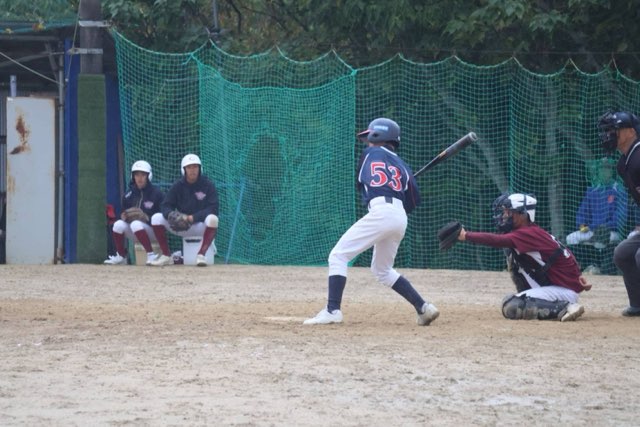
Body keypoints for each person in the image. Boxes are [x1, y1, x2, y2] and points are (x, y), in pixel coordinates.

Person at [303, 118, 439, 326]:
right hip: (399, 217)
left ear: (378, 136)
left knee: (338, 256)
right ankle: (424, 307)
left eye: (370, 137)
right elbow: (412, 201)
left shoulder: (369, 154)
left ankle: (332, 310)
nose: (367, 142)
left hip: (381, 211)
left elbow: (363, 184)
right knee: (383, 270)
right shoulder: (403, 166)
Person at [456, 193, 590, 321]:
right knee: (512, 261)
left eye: (509, 212)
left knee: (511, 305)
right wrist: (577, 276)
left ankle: (567, 308)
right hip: (559, 289)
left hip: (563, 292)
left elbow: (497, 240)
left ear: (523, 214)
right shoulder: (530, 231)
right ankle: (556, 303)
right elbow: (564, 252)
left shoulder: (527, 233)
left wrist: (466, 235)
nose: (504, 216)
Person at [599, 110, 640, 316]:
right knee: (623, 253)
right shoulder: (624, 163)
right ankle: (638, 304)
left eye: (615, 130)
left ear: (631, 132)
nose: (609, 135)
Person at [149, 153, 219, 267]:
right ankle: (166, 255)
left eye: (195, 167)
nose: (192, 170)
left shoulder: (208, 185)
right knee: (156, 218)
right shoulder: (178, 186)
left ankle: (201, 255)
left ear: (200, 168)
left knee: (213, 219)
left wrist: (192, 218)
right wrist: (172, 215)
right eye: (189, 167)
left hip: (200, 226)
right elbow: (165, 205)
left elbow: (213, 208)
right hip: (181, 225)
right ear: (184, 169)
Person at [565, 158, 627, 274]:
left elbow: (620, 217)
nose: (604, 171)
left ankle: (599, 268)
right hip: (592, 230)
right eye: (602, 168)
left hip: (611, 231)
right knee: (571, 238)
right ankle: (585, 265)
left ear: (612, 171)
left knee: (600, 240)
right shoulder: (592, 190)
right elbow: (582, 213)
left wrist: (600, 227)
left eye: (607, 168)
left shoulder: (618, 190)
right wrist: (582, 225)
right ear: (598, 171)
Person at [104, 160, 164, 265]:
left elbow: (162, 218)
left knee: (136, 223)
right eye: (137, 175)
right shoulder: (128, 194)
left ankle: (151, 255)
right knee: (118, 225)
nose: (139, 178)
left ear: (148, 176)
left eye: (143, 175)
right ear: (133, 177)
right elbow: (123, 214)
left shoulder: (157, 193)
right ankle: (121, 256)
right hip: (136, 231)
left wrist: (146, 218)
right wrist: (124, 217)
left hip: (154, 232)